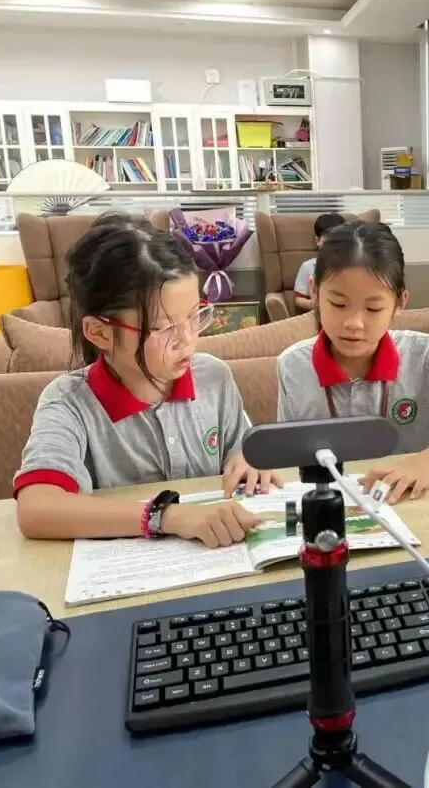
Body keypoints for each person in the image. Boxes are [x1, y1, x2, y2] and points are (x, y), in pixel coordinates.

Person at [14, 213, 280, 547]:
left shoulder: (213, 377)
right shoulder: (70, 402)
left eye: (195, 316)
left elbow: (241, 449)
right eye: (165, 328)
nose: (187, 340)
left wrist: (248, 459)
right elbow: (36, 509)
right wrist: (167, 516)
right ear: (100, 333)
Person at [275, 221, 429, 504]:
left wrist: (428, 462)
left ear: (400, 302)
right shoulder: (292, 366)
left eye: (373, 308)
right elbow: (288, 457)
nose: (354, 323)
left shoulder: (427, 356)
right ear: (315, 292)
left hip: (416, 503)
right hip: (333, 509)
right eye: (338, 304)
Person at [293, 212, 347, 312]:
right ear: (317, 241)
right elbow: (298, 299)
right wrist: (312, 304)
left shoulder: (352, 265)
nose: (333, 245)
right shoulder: (308, 266)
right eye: (328, 241)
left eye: (338, 241)